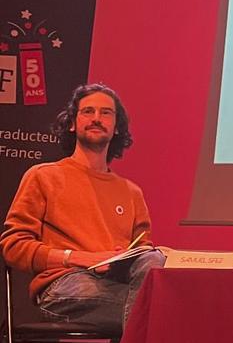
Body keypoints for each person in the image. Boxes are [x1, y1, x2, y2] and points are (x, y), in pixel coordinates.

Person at [0, 82, 163, 330]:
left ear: (117, 128)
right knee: (158, 311)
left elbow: (142, 254)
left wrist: (126, 256)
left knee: (152, 258)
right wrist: (80, 258)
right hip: (65, 283)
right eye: (88, 111)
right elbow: (14, 247)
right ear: (73, 124)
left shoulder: (131, 192)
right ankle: (153, 327)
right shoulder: (43, 176)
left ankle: (147, 331)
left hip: (117, 284)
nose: (96, 118)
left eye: (105, 112)